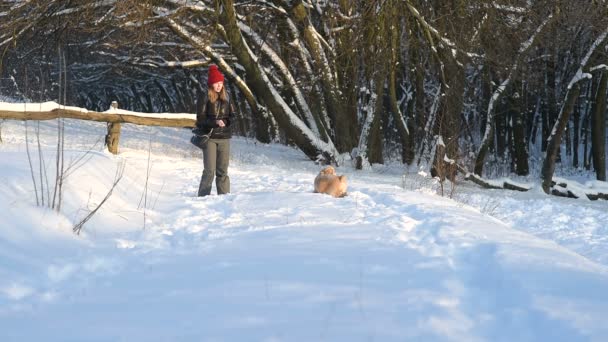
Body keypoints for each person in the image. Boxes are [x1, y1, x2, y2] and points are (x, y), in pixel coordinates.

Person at [193, 64, 236, 196]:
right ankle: (203, 197)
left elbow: (233, 116)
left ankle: (224, 198)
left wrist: (227, 121)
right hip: (210, 137)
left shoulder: (227, 96)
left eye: (221, 82)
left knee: (223, 171)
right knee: (209, 170)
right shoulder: (205, 96)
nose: (219, 85)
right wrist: (214, 123)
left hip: (224, 138)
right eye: (216, 83)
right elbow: (200, 119)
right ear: (211, 84)